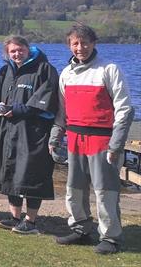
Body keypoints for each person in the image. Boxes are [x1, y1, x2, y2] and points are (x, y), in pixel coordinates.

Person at [51, 24, 134, 255]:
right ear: (70, 45)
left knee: (105, 191)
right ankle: (80, 228)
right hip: (75, 140)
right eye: (75, 43)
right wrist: (54, 138)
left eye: (85, 42)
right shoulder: (66, 73)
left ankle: (111, 238)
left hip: (102, 141)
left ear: (94, 43)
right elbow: (62, 111)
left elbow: (125, 110)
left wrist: (116, 144)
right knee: (74, 189)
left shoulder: (109, 69)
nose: (80, 48)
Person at [0, 35, 58, 235]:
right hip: (8, 129)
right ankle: (14, 216)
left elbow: (47, 98)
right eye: (13, 51)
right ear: (7, 53)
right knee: (10, 170)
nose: (17, 54)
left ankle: (31, 221)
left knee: (32, 173)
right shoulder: (6, 71)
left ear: (28, 49)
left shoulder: (44, 69)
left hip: (33, 131)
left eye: (20, 49)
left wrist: (20, 109)